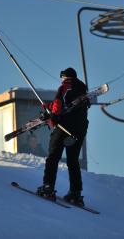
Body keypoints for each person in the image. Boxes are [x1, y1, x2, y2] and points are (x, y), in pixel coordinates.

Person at [36, 67, 89, 206]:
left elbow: (59, 103)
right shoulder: (82, 90)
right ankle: (75, 193)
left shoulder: (65, 86)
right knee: (73, 160)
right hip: (80, 129)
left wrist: (52, 117)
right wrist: (49, 106)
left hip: (63, 127)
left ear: (65, 77)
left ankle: (48, 187)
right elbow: (68, 104)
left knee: (53, 157)